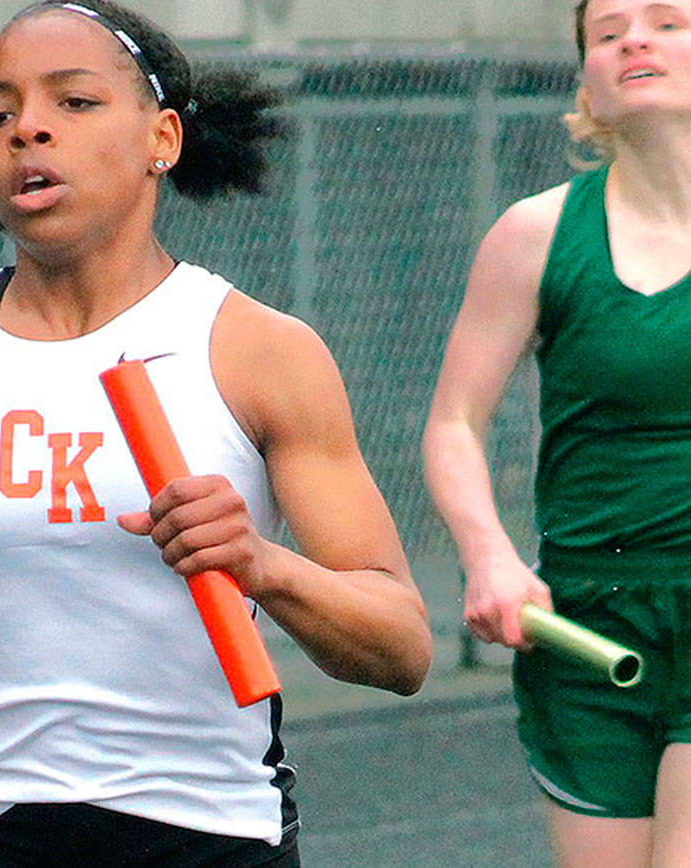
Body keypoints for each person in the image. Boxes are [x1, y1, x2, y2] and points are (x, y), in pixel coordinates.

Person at [0, 2, 432, 866]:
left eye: (73, 103)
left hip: (213, 837)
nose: (27, 130)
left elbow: (401, 646)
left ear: (162, 140)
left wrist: (263, 563)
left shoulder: (257, 352)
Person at [423, 1, 691, 865]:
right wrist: (489, 555)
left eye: (668, 22)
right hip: (588, 625)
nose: (635, 40)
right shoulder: (534, 234)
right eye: (608, 33)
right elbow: (454, 424)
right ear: (587, 81)